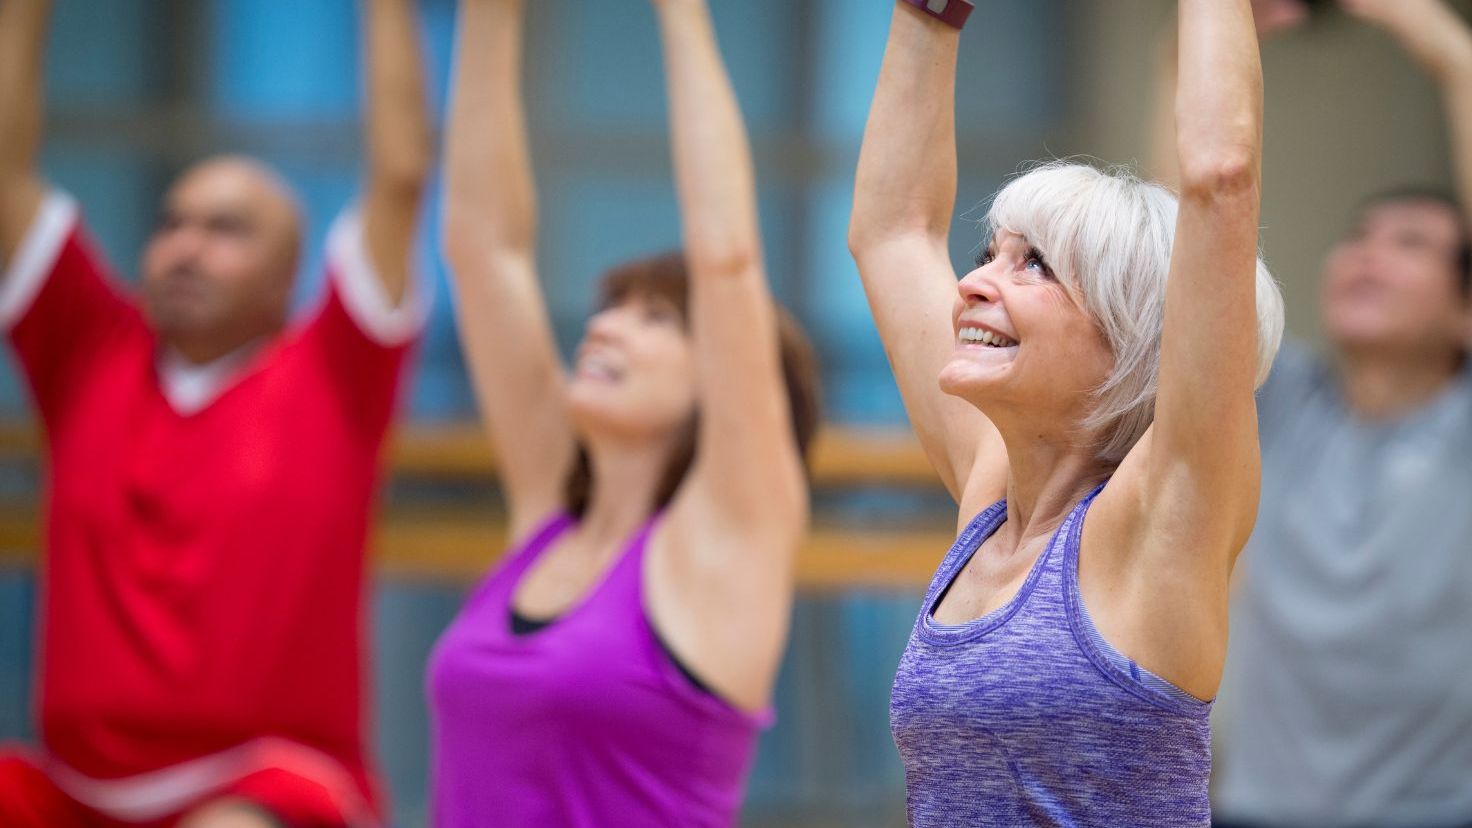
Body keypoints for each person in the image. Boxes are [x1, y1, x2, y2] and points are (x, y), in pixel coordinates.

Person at [850, 0, 1283, 824]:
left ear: (1130, 341)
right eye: (990, 256)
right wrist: (928, 19)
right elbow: (892, 231)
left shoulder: (1163, 519)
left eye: (1036, 266)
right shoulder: (992, 498)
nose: (975, 283)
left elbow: (1221, 181)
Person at [0, 0, 432, 825]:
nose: (186, 247)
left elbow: (402, 175)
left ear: (287, 276)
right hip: (73, 787)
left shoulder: (338, 372)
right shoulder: (86, 350)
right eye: (171, 224)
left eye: (226, 229)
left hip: (266, 785)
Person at [425, 0, 821, 825]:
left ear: (725, 370)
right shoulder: (548, 514)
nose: (601, 326)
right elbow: (482, 245)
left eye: (655, 318)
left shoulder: (728, 539)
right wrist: (489, 19)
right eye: (610, 307)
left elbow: (727, 258)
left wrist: (681, 17)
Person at [1158, 1, 1472, 825]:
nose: (1369, 252)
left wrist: (1451, 56)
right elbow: (1184, 261)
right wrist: (1180, 68)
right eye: (1361, 235)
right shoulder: (1279, 407)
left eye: (1410, 244)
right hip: (1253, 809)